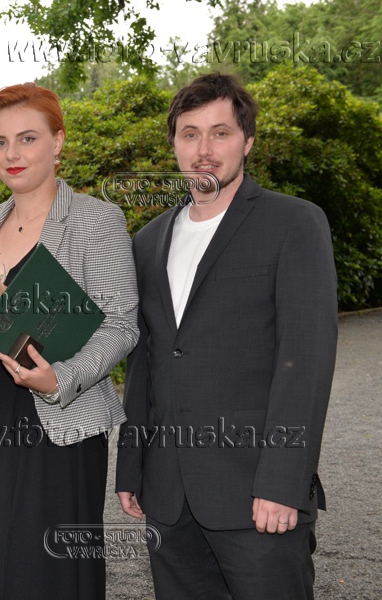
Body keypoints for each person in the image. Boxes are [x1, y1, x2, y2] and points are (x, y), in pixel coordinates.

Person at [115, 73, 338, 599]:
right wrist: (132, 467)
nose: (204, 150)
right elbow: (147, 362)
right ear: (174, 144)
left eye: (221, 133)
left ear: (248, 141)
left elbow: (305, 362)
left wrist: (283, 482)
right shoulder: (147, 241)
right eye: (190, 134)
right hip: (168, 497)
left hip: (257, 495)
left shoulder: (294, 223)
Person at [0, 82, 139, 599]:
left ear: (58, 142)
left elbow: (122, 325)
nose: (11, 153)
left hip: (57, 419)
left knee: (42, 572)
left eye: (27, 139)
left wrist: (60, 379)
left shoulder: (97, 220)